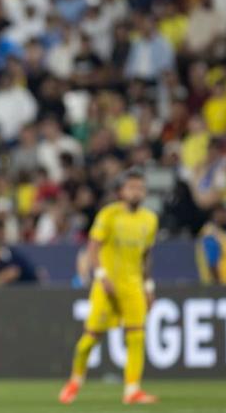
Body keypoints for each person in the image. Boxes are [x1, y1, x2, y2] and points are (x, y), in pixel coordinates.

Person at [59, 169, 159, 405]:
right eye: (132, 187)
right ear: (121, 191)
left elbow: (146, 255)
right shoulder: (109, 214)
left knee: (136, 336)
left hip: (133, 285)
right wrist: (102, 275)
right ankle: (75, 380)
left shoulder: (150, 219)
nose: (136, 191)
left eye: (140, 187)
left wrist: (149, 285)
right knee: (90, 339)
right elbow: (93, 247)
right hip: (107, 285)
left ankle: (132, 390)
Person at [195, 204, 226, 286]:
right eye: (225, 211)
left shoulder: (218, 232)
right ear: (216, 213)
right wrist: (218, 289)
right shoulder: (210, 233)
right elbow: (212, 261)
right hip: (223, 288)